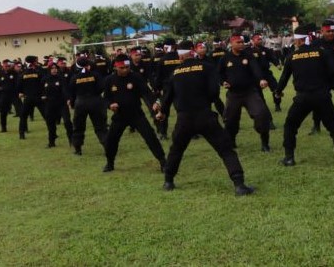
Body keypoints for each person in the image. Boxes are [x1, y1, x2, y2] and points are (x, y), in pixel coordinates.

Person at [153, 40, 255, 196]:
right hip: (204, 115)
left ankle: (168, 181)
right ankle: (239, 184)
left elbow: (168, 96)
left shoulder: (175, 73)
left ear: (180, 57)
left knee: (176, 150)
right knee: (226, 150)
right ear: (193, 51)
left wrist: (162, 112)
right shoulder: (207, 68)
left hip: (183, 118)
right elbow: (213, 92)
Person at [274, 25, 334, 167]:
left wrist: (278, 92)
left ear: (298, 41)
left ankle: (289, 158)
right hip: (322, 96)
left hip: (302, 98)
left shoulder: (292, 56)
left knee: (290, 126)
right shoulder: (321, 52)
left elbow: (284, 77)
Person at [102, 54, 166, 173]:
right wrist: (110, 105)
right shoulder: (109, 80)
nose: (125, 70)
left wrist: (154, 102)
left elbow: (146, 92)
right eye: (122, 68)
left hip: (136, 114)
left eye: (127, 67)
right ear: (116, 67)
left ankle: (163, 161)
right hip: (119, 116)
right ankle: (110, 163)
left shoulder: (135, 77)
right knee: (111, 140)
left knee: (150, 136)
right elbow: (106, 98)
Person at [217, 34, 272, 151]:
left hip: (250, 92)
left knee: (261, 114)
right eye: (238, 42)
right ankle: (231, 141)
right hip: (234, 94)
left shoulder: (249, 56)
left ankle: (265, 143)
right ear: (231, 44)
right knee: (230, 119)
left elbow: (256, 69)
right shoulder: (225, 58)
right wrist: (223, 82)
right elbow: (219, 74)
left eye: (242, 42)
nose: (241, 44)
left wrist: (261, 79)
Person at [68, 55, 108, 156]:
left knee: (78, 127)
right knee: (100, 126)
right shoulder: (95, 75)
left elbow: (72, 93)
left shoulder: (74, 77)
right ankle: (107, 146)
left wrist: (72, 104)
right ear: (88, 65)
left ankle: (78, 149)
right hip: (95, 101)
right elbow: (102, 87)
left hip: (80, 103)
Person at [40, 62, 66, 148]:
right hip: (49, 104)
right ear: (49, 69)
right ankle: (51, 142)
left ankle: (72, 140)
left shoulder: (61, 78)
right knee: (50, 123)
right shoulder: (45, 79)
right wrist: (42, 95)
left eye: (55, 68)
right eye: (52, 68)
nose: (54, 70)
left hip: (60, 103)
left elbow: (64, 90)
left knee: (67, 121)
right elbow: (41, 90)